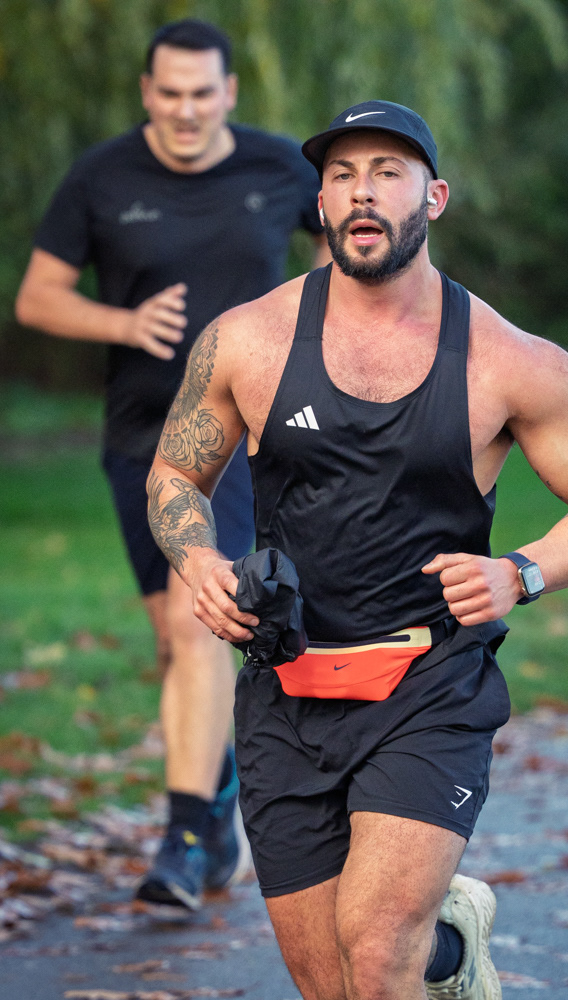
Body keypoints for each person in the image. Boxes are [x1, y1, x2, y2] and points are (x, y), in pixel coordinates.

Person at [145, 99, 568, 999]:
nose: (361, 193)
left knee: (375, 956)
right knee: (333, 981)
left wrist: (519, 572)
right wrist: (201, 564)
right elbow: (175, 477)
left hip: (428, 686)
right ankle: (449, 952)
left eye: (386, 173)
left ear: (434, 197)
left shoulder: (508, 360)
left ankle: (417, 950)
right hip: (285, 688)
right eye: (341, 175)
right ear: (322, 202)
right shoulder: (248, 339)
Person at [14, 19, 327, 917]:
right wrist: (123, 323)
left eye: (202, 93)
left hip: (237, 439)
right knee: (173, 640)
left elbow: (341, 252)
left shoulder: (278, 167)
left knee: (197, 627)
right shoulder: (101, 177)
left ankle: (183, 839)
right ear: (148, 94)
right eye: (170, 94)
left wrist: (301, 330)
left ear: (229, 93)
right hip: (138, 436)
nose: (186, 110)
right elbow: (37, 298)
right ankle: (221, 808)